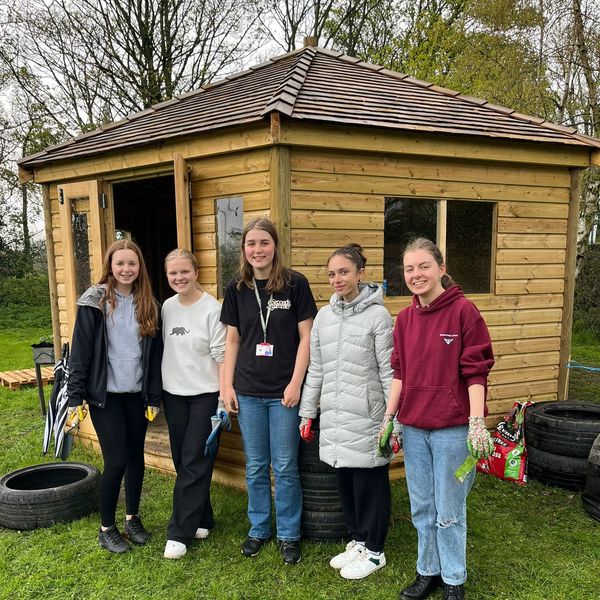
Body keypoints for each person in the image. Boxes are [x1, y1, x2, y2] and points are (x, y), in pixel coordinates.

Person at [381, 238, 494, 600]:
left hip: (452, 430)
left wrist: (476, 422)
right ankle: (426, 571)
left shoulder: (464, 312)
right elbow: (399, 372)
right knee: (422, 507)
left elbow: (476, 372)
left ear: (441, 269)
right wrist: (390, 418)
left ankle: (454, 580)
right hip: (414, 429)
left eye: (424, 266)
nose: (417, 274)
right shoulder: (405, 319)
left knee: (449, 509)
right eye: (410, 268)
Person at [220, 217, 317, 565]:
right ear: (243, 249)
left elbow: (307, 337)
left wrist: (296, 383)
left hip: (283, 392)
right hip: (247, 390)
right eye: (251, 244)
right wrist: (226, 386)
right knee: (257, 465)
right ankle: (259, 529)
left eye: (264, 243)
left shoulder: (295, 284)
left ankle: (289, 534)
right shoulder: (236, 288)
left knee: (286, 465)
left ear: (275, 245)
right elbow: (232, 339)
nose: (257, 250)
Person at [298, 243, 396, 580]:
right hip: (336, 417)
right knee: (346, 483)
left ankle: (375, 551)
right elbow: (317, 370)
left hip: (369, 416)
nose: (337, 279)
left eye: (344, 272)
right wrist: (307, 412)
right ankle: (357, 541)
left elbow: (389, 372)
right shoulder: (324, 317)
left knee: (370, 483)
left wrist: (392, 421)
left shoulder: (378, 316)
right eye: (332, 274)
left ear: (360, 274)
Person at [66, 239, 162, 554]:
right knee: (116, 460)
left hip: (137, 395)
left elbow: (155, 356)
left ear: (139, 267)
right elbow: (80, 354)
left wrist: (153, 396)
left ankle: (132, 518)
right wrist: (75, 396)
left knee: (136, 458)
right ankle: (106, 528)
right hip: (105, 396)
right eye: (120, 263)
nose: (125, 269)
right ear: (110, 265)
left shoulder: (148, 302)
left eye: (131, 264)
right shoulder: (94, 301)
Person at [160, 249, 227, 560]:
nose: (179, 278)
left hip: (205, 394)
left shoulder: (212, 309)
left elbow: (223, 356)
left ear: (196, 271)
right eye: (173, 273)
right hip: (173, 394)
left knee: (195, 458)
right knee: (180, 459)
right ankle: (203, 517)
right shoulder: (167, 307)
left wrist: (224, 397)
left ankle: (179, 532)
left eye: (184, 271)